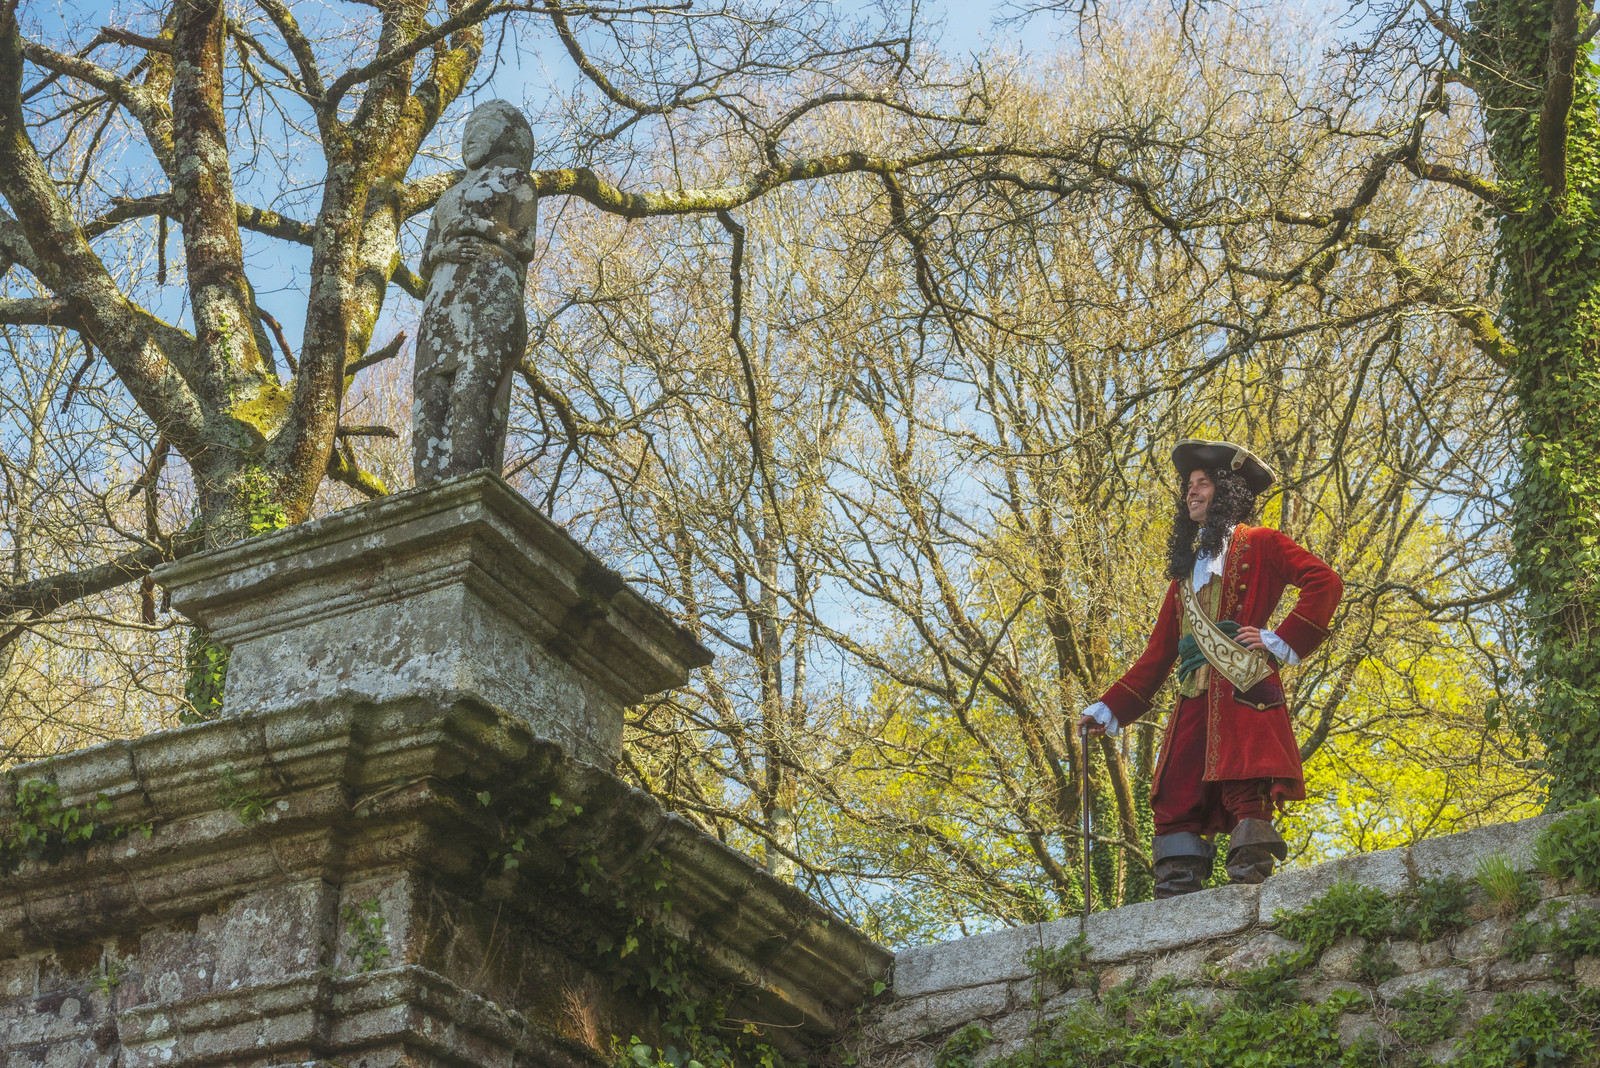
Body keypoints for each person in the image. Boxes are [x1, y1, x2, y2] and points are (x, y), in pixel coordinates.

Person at [1077, 439, 1343, 897]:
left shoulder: (1261, 543)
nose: (1192, 493)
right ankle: (1175, 899)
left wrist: (1279, 640)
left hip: (1244, 688)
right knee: (1174, 794)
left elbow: (1325, 582)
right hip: (1193, 697)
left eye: (1203, 484)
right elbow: (1156, 657)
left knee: (1246, 787)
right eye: (1189, 486)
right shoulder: (1183, 579)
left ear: (1228, 493)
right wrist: (1107, 709)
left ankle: (1251, 892)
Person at [412, 99, 541, 485]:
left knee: (472, 387)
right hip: (442, 300)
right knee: (430, 393)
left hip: (490, 294)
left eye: (481, 127)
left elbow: (524, 242)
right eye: (467, 129)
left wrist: (482, 227)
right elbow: (425, 259)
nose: (470, 136)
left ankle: (466, 481)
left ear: (506, 135)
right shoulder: (448, 196)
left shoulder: (516, 180)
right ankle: (427, 490)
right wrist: (444, 250)